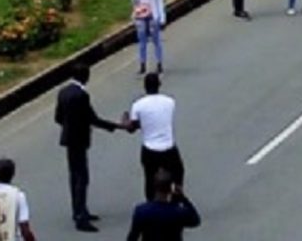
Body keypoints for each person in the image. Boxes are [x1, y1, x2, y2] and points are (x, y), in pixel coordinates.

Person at [53, 64, 119, 232]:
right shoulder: (82, 95)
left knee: (74, 176)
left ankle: (79, 210)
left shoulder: (63, 92)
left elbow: (58, 117)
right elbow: (92, 118)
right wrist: (113, 126)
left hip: (68, 139)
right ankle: (81, 217)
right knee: (82, 178)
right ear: (86, 76)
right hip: (79, 140)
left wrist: (69, 126)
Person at [121, 73, 185, 203]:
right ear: (159, 85)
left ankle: (151, 202)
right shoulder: (170, 102)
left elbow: (132, 128)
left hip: (150, 149)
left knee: (149, 178)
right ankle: (177, 195)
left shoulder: (138, 105)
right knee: (178, 171)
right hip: (168, 147)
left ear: (145, 87)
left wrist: (125, 120)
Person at [125, 171, 200, 241]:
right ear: (170, 189)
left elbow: (132, 238)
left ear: (154, 186)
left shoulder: (141, 211)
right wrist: (183, 198)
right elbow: (196, 220)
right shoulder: (179, 212)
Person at [130, 0, 166, 76]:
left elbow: (160, 0)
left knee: (156, 40)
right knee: (142, 42)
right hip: (140, 14)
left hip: (153, 15)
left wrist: (162, 17)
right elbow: (134, 1)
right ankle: (142, 64)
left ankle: (159, 62)